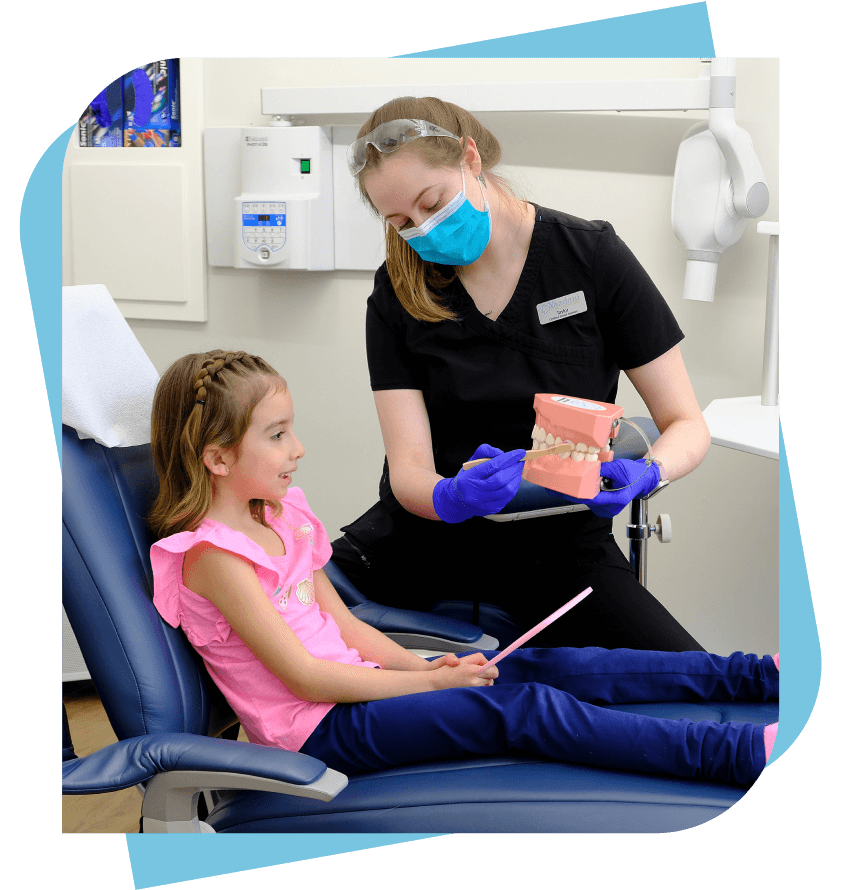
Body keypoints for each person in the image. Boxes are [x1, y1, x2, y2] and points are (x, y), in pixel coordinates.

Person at [148, 350, 778, 786]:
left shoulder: (285, 514)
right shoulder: (213, 558)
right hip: (318, 731)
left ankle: (758, 677)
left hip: (359, 684)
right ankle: (737, 754)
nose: (299, 448)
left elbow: (349, 632)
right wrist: (426, 687)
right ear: (219, 458)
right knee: (521, 708)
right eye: (277, 434)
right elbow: (308, 678)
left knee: (544, 664)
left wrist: (429, 667)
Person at [331, 97, 713, 652]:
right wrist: (451, 498)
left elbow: (686, 423)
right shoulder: (399, 290)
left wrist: (649, 474)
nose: (424, 230)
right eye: (401, 222)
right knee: (280, 631)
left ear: (470, 159)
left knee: (692, 686)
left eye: (432, 203)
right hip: (422, 543)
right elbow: (408, 471)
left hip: (560, 552)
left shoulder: (590, 258)